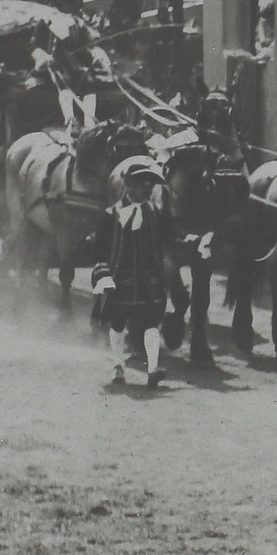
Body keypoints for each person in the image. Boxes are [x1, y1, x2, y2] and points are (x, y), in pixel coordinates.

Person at [93, 152, 178, 390]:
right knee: (118, 323)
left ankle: (152, 370)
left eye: (149, 184)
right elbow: (99, 249)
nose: (148, 189)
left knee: (152, 322)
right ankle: (118, 367)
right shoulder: (111, 215)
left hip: (148, 279)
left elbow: (171, 237)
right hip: (120, 279)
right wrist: (103, 276)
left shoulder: (156, 213)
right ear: (129, 186)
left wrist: (194, 241)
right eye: (142, 184)